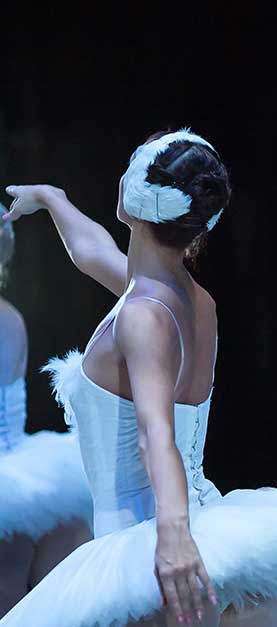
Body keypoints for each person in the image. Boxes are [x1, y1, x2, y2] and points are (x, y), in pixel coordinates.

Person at [1, 130, 277, 627]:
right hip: (212, 529)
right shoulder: (188, 300)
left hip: (151, 549)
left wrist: (173, 538)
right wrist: (52, 200)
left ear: (133, 196)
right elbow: (94, 253)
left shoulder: (144, 315)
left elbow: (156, 434)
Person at [0, 216, 92, 615]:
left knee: (13, 595)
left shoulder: (5, 319)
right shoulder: (10, 316)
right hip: (22, 471)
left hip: (10, 477)